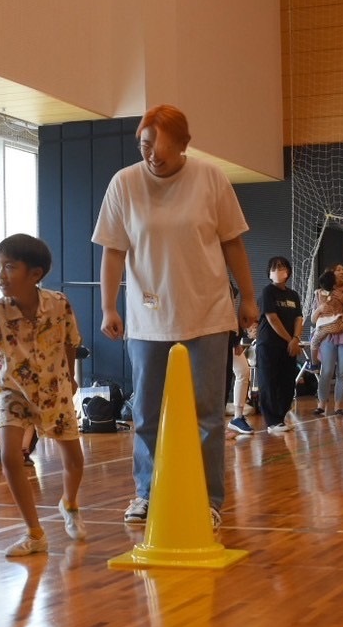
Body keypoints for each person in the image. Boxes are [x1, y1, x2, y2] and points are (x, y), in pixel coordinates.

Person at [93, 104, 257, 530]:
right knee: (146, 411)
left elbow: (233, 244)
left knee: (206, 413)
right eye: (146, 147)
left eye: (163, 150)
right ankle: (146, 492)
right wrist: (109, 306)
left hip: (207, 312)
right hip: (148, 319)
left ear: (184, 145)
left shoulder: (210, 178)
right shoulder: (124, 183)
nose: (153, 157)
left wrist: (250, 300)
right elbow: (114, 251)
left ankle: (208, 499)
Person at [0, 233, 88, 556]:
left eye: (9, 267)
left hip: (54, 389)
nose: (0, 274)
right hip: (13, 391)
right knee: (10, 457)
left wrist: (70, 378)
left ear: (35, 274)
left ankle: (70, 504)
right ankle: (34, 532)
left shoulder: (59, 303)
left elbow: (70, 341)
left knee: (75, 462)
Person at [253, 256, 303, 436]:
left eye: (282, 267)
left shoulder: (293, 295)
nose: (278, 270)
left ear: (288, 271)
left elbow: (298, 317)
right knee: (270, 383)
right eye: (274, 268)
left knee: (287, 382)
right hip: (269, 345)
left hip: (289, 345)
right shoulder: (268, 292)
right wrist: (289, 339)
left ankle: (280, 418)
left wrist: (296, 338)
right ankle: (272, 421)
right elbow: (272, 318)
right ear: (269, 273)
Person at [309, 265, 343, 416]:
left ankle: (339, 405)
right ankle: (321, 403)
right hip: (327, 334)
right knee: (326, 370)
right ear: (332, 276)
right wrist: (320, 309)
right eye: (338, 271)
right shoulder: (320, 294)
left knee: (342, 371)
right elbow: (313, 319)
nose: (342, 273)